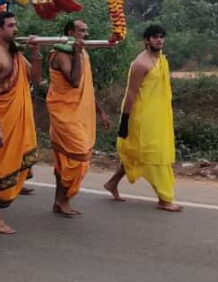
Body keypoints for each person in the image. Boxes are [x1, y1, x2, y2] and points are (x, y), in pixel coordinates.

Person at [0, 11, 41, 234]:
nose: (16, 29)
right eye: (11, 25)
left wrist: (36, 52)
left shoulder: (15, 54)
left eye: (15, 24)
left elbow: (35, 78)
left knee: (13, 164)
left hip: (16, 121)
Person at [104, 24, 181, 212]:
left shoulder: (162, 60)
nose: (159, 40)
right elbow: (131, 94)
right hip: (142, 117)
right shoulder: (140, 63)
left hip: (159, 115)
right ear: (147, 40)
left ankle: (112, 183)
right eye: (155, 37)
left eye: (162, 36)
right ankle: (165, 198)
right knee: (154, 155)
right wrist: (125, 121)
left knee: (136, 152)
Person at [47, 20, 111, 216]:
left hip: (79, 113)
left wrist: (99, 111)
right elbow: (75, 82)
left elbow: (87, 86)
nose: (86, 34)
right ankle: (65, 199)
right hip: (64, 115)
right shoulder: (61, 55)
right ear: (70, 32)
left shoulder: (82, 53)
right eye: (81, 30)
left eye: (86, 30)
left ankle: (59, 201)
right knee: (80, 156)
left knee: (63, 159)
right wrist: (76, 52)